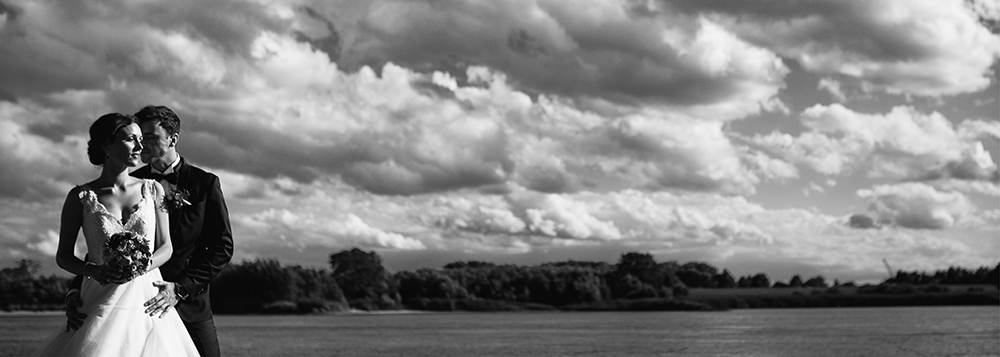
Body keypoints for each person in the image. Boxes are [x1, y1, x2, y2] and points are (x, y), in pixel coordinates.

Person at [64, 105, 235, 356]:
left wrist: (180, 289)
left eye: (150, 138)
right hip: (128, 306)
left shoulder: (204, 184)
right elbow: (105, 244)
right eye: (139, 138)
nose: (142, 145)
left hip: (189, 305)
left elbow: (222, 247)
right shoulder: (132, 181)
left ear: (173, 139)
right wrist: (76, 290)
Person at [35, 113, 200, 356]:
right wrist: (92, 270)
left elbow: (166, 247)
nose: (140, 146)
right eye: (131, 139)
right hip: (98, 295)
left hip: (146, 298)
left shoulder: (154, 190)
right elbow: (63, 256)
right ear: (107, 145)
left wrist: (140, 266)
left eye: (141, 139)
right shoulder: (80, 197)